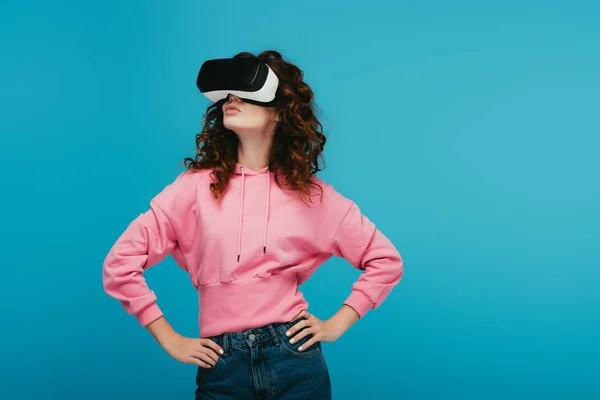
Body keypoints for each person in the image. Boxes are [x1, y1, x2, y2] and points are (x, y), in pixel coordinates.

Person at [102, 49, 404, 400]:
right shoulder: (193, 188)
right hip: (222, 364)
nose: (232, 99)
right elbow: (120, 264)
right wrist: (169, 338)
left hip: (295, 359)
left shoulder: (314, 197)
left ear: (279, 113)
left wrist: (337, 324)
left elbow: (385, 260)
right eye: (228, 95)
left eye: (246, 94)